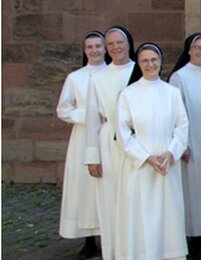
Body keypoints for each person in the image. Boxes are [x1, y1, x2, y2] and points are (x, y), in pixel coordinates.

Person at [114, 43, 190, 260]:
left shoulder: (172, 93)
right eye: (145, 61)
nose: (150, 64)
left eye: (154, 59)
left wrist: (170, 153)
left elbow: (182, 126)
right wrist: (147, 158)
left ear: (160, 61)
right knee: (142, 214)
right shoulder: (128, 94)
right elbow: (123, 132)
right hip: (141, 165)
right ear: (139, 64)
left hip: (167, 163)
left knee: (168, 213)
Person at [84, 25, 137, 260]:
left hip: (138, 140)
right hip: (109, 141)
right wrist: (92, 156)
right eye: (111, 44)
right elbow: (92, 119)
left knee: (134, 196)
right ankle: (114, 251)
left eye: (120, 42)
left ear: (128, 44)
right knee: (111, 198)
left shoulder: (141, 69)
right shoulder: (98, 78)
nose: (116, 47)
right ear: (106, 48)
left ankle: (137, 248)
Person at [167, 32, 201, 253]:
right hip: (191, 141)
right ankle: (194, 237)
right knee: (194, 189)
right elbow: (175, 115)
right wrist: (183, 144)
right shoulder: (179, 77)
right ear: (189, 50)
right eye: (198, 48)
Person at [57, 31, 107, 256]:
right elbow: (63, 108)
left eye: (98, 46)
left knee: (108, 185)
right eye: (90, 47)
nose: (95, 50)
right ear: (85, 51)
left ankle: (110, 236)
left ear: (105, 48)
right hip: (82, 138)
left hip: (107, 136)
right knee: (85, 188)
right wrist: (87, 115)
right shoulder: (75, 77)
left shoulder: (112, 73)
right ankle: (89, 240)